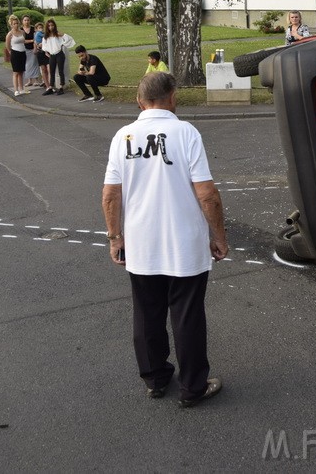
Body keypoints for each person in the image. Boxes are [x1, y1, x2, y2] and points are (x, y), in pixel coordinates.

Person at [102, 71, 228, 407]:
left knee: (147, 315)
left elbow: (111, 194)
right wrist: (219, 236)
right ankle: (192, 387)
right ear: (172, 97)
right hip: (184, 244)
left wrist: (115, 237)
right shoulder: (185, 132)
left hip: (141, 243)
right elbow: (207, 194)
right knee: (187, 316)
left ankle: (156, 379)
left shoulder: (122, 136)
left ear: (139, 101)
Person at [41, 19, 74, 95]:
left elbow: (67, 40)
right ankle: (51, 87)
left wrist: (62, 35)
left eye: (52, 25)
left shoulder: (58, 35)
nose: (51, 27)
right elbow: (44, 46)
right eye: (49, 26)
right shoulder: (46, 36)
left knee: (60, 71)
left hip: (59, 54)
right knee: (51, 71)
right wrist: (47, 52)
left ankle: (61, 87)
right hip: (52, 55)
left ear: (54, 26)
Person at [5, 15, 28, 96]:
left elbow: (23, 41)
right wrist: (10, 51)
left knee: (21, 71)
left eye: (17, 23)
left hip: (22, 53)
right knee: (16, 72)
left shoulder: (22, 32)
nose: (16, 25)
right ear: (11, 24)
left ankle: (21, 88)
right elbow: (7, 45)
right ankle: (16, 90)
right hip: (15, 53)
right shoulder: (10, 34)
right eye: (14, 24)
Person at [21, 15, 41, 88]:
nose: (26, 22)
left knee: (35, 64)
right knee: (27, 65)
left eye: (28, 20)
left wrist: (34, 45)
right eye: (25, 20)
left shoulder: (33, 29)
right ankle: (29, 81)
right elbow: (22, 41)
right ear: (22, 21)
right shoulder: (21, 30)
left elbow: (37, 38)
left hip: (33, 48)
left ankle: (36, 80)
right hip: (25, 49)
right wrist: (31, 40)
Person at [34, 22, 51, 92]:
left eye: (41, 27)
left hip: (47, 53)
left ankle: (50, 85)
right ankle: (47, 86)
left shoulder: (46, 34)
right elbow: (35, 46)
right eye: (39, 28)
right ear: (36, 29)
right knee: (43, 69)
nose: (41, 29)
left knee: (49, 68)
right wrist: (36, 47)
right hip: (40, 53)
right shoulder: (36, 35)